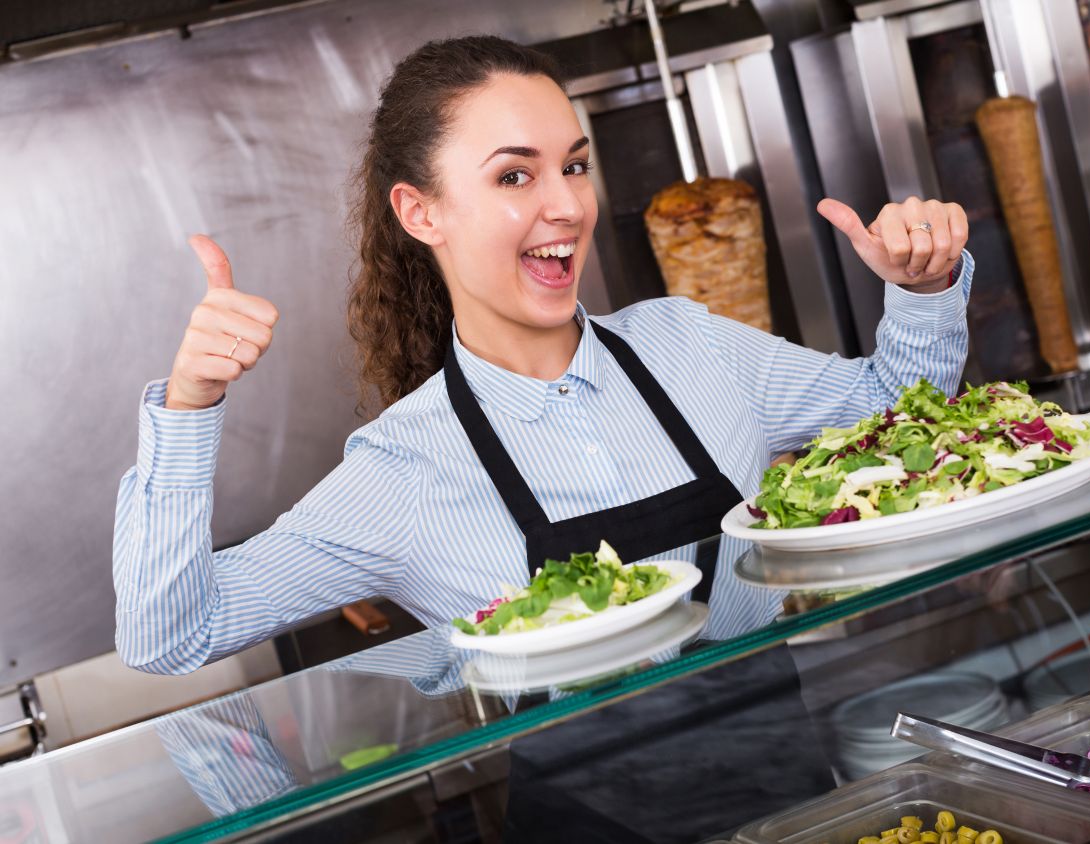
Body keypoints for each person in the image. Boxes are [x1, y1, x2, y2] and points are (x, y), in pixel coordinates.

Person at [113, 35, 972, 676]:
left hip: (784, 798)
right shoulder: (406, 468)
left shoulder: (689, 346)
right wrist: (189, 407)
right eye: (515, 177)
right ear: (421, 214)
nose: (566, 206)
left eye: (576, 165)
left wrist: (922, 289)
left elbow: (898, 416)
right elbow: (170, 639)